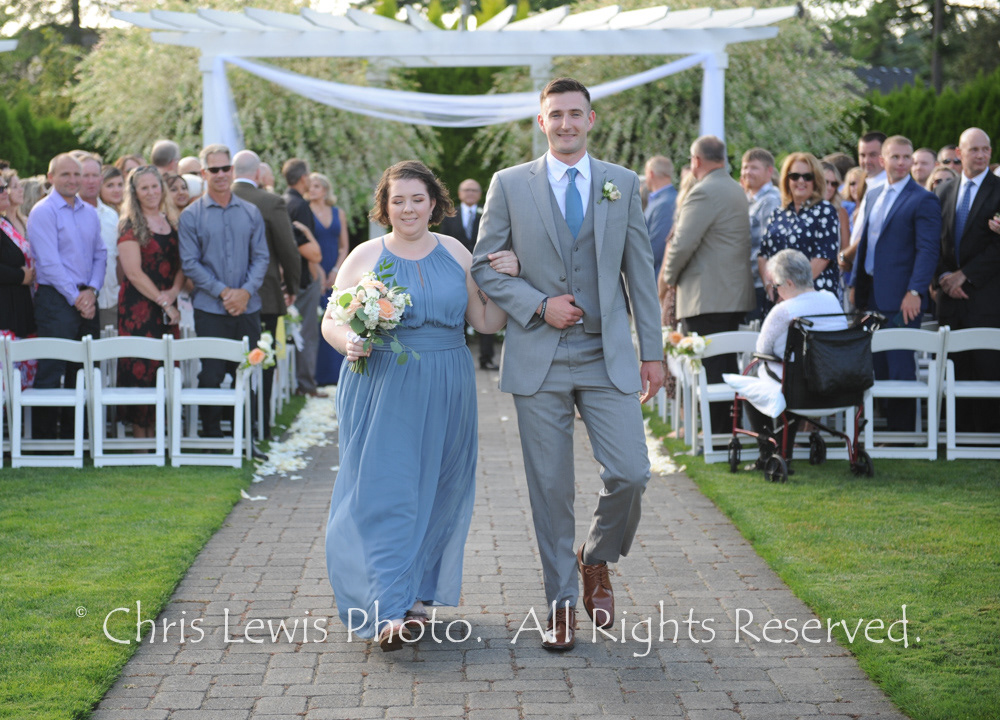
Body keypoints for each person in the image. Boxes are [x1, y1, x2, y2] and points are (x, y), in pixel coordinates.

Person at [472, 77, 664, 652]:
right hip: (540, 354)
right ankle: (559, 605)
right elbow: (482, 267)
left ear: (591, 119)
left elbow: (641, 271)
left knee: (632, 472)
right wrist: (538, 304)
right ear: (542, 122)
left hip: (607, 355)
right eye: (555, 114)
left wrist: (652, 351)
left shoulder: (620, 183)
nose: (565, 124)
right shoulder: (509, 185)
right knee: (551, 489)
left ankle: (595, 557)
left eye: (575, 114)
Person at [323, 160, 514, 651]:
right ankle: (387, 609)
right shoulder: (365, 255)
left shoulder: (456, 252)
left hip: (449, 382)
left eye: (417, 199)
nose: (408, 209)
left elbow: (485, 322)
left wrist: (509, 281)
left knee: (439, 486)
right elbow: (331, 320)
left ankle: (417, 599)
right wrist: (348, 341)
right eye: (398, 200)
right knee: (386, 490)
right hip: (382, 383)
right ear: (385, 207)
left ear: (434, 203)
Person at [178, 144, 269, 450]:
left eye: (225, 168)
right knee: (212, 373)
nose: (220, 174)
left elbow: (261, 258)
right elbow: (190, 263)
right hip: (210, 309)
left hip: (248, 307)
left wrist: (244, 293)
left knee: (248, 371)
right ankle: (212, 436)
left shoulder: (251, 212)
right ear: (203, 173)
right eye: (213, 169)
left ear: (232, 170)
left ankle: (248, 436)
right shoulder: (191, 216)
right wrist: (224, 292)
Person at [663, 134, 755, 433]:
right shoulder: (735, 188)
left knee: (709, 368)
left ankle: (717, 432)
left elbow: (682, 244)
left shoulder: (703, 191)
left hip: (707, 296)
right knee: (725, 367)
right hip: (732, 294)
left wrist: (667, 280)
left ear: (696, 160)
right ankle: (725, 429)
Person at [851, 135, 941, 431]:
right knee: (876, 365)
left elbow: (928, 250)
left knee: (900, 365)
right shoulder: (874, 194)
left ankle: (902, 433)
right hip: (871, 295)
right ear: (882, 160)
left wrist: (915, 291)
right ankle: (883, 429)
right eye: (896, 157)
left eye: (907, 157)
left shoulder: (923, 198)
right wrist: (854, 284)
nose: (902, 163)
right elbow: (866, 244)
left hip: (903, 298)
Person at [735, 249, 847, 464]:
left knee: (752, 385)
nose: (776, 291)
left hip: (797, 388)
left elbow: (762, 349)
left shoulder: (783, 310)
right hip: (834, 382)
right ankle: (782, 446)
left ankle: (768, 452)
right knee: (785, 376)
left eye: (776, 286)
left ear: (789, 283)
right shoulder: (830, 299)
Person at [27, 153, 106, 438]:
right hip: (56, 300)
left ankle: (77, 439)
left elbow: (101, 254)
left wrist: (92, 291)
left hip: (87, 298)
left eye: (77, 174)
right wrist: (76, 298)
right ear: (51, 177)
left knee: (84, 369)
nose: (73, 180)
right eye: (65, 174)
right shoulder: (43, 211)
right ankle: (45, 441)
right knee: (52, 368)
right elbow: (49, 263)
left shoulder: (90, 212)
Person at [933, 127, 1000, 433]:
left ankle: (987, 435)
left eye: (986, 149)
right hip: (950, 300)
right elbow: (932, 242)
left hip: (985, 298)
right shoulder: (944, 191)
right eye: (974, 150)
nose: (982, 155)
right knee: (954, 369)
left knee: (987, 369)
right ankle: (955, 435)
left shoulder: (998, 190)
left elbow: (996, 247)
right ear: (959, 154)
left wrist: (966, 276)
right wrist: (944, 277)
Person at [231, 149, 301, 439]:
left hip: (224, 297)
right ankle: (260, 425)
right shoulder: (271, 201)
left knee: (229, 360)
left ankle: (231, 423)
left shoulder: (217, 199)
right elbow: (288, 249)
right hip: (266, 294)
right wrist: (292, 287)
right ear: (258, 173)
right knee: (264, 360)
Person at [116, 166, 184, 439]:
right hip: (139, 309)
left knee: (164, 369)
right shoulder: (129, 225)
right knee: (140, 370)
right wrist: (163, 301)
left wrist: (173, 293)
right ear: (134, 193)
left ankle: (158, 441)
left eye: (155, 186)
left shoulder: (173, 222)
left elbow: (183, 265)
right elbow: (133, 273)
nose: (151, 192)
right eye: (144, 188)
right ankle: (140, 444)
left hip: (168, 307)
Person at [760, 152, 841, 303]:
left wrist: (791, 292)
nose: (801, 181)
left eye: (807, 176)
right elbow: (763, 254)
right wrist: (770, 285)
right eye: (795, 176)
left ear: (816, 180)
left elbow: (823, 257)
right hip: (777, 298)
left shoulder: (825, 211)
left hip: (812, 297)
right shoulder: (778, 213)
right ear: (787, 180)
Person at [439, 178, 498, 370]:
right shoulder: (449, 216)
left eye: (474, 190)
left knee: (486, 313)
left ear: (480, 194)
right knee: (457, 314)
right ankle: (456, 359)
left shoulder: (488, 214)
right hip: (455, 272)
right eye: (467, 190)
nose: (470, 193)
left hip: (484, 271)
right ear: (460, 193)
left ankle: (486, 359)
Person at [282, 158, 325, 397]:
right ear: (302, 178)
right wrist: (315, 271)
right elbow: (308, 250)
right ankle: (306, 385)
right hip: (303, 279)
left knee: (294, 334)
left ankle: (297, 382)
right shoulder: (300, 205)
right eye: (308, 175)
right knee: (307, 333)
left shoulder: (284, 202)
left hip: (289, 278)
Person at [307, 171, 349, 385]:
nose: (311, 189)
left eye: (315, 185)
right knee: (316, 321)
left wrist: (336, 270)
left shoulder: (338, 212)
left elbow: (344, 246)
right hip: (313, 269)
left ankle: (338, 374)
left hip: (336, 270)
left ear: (324, 189)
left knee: (338, 318)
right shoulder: (305, 211)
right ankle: (317, 376)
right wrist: (319, 271)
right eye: (309, 185)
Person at [0, 174, 37, 389]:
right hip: (4, 318)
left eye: (5, 187)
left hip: (19, 313)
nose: (5, 192)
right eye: (0, 189)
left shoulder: (5, 223)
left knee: (20, 390)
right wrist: (19, 276)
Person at [741, 147, 781, 322]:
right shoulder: (749, 199)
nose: (747, 172)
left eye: (754, 168)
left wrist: (770, 284)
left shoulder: (770, 201)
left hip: (762, 284)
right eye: (745, 167)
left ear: (769, 171)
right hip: (748, 283)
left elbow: (770, 247)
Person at [642, 155, 676, 274]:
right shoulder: (663, 199)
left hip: (656, 275)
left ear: (651, 174)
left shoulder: (665, 203)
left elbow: (656, 248)